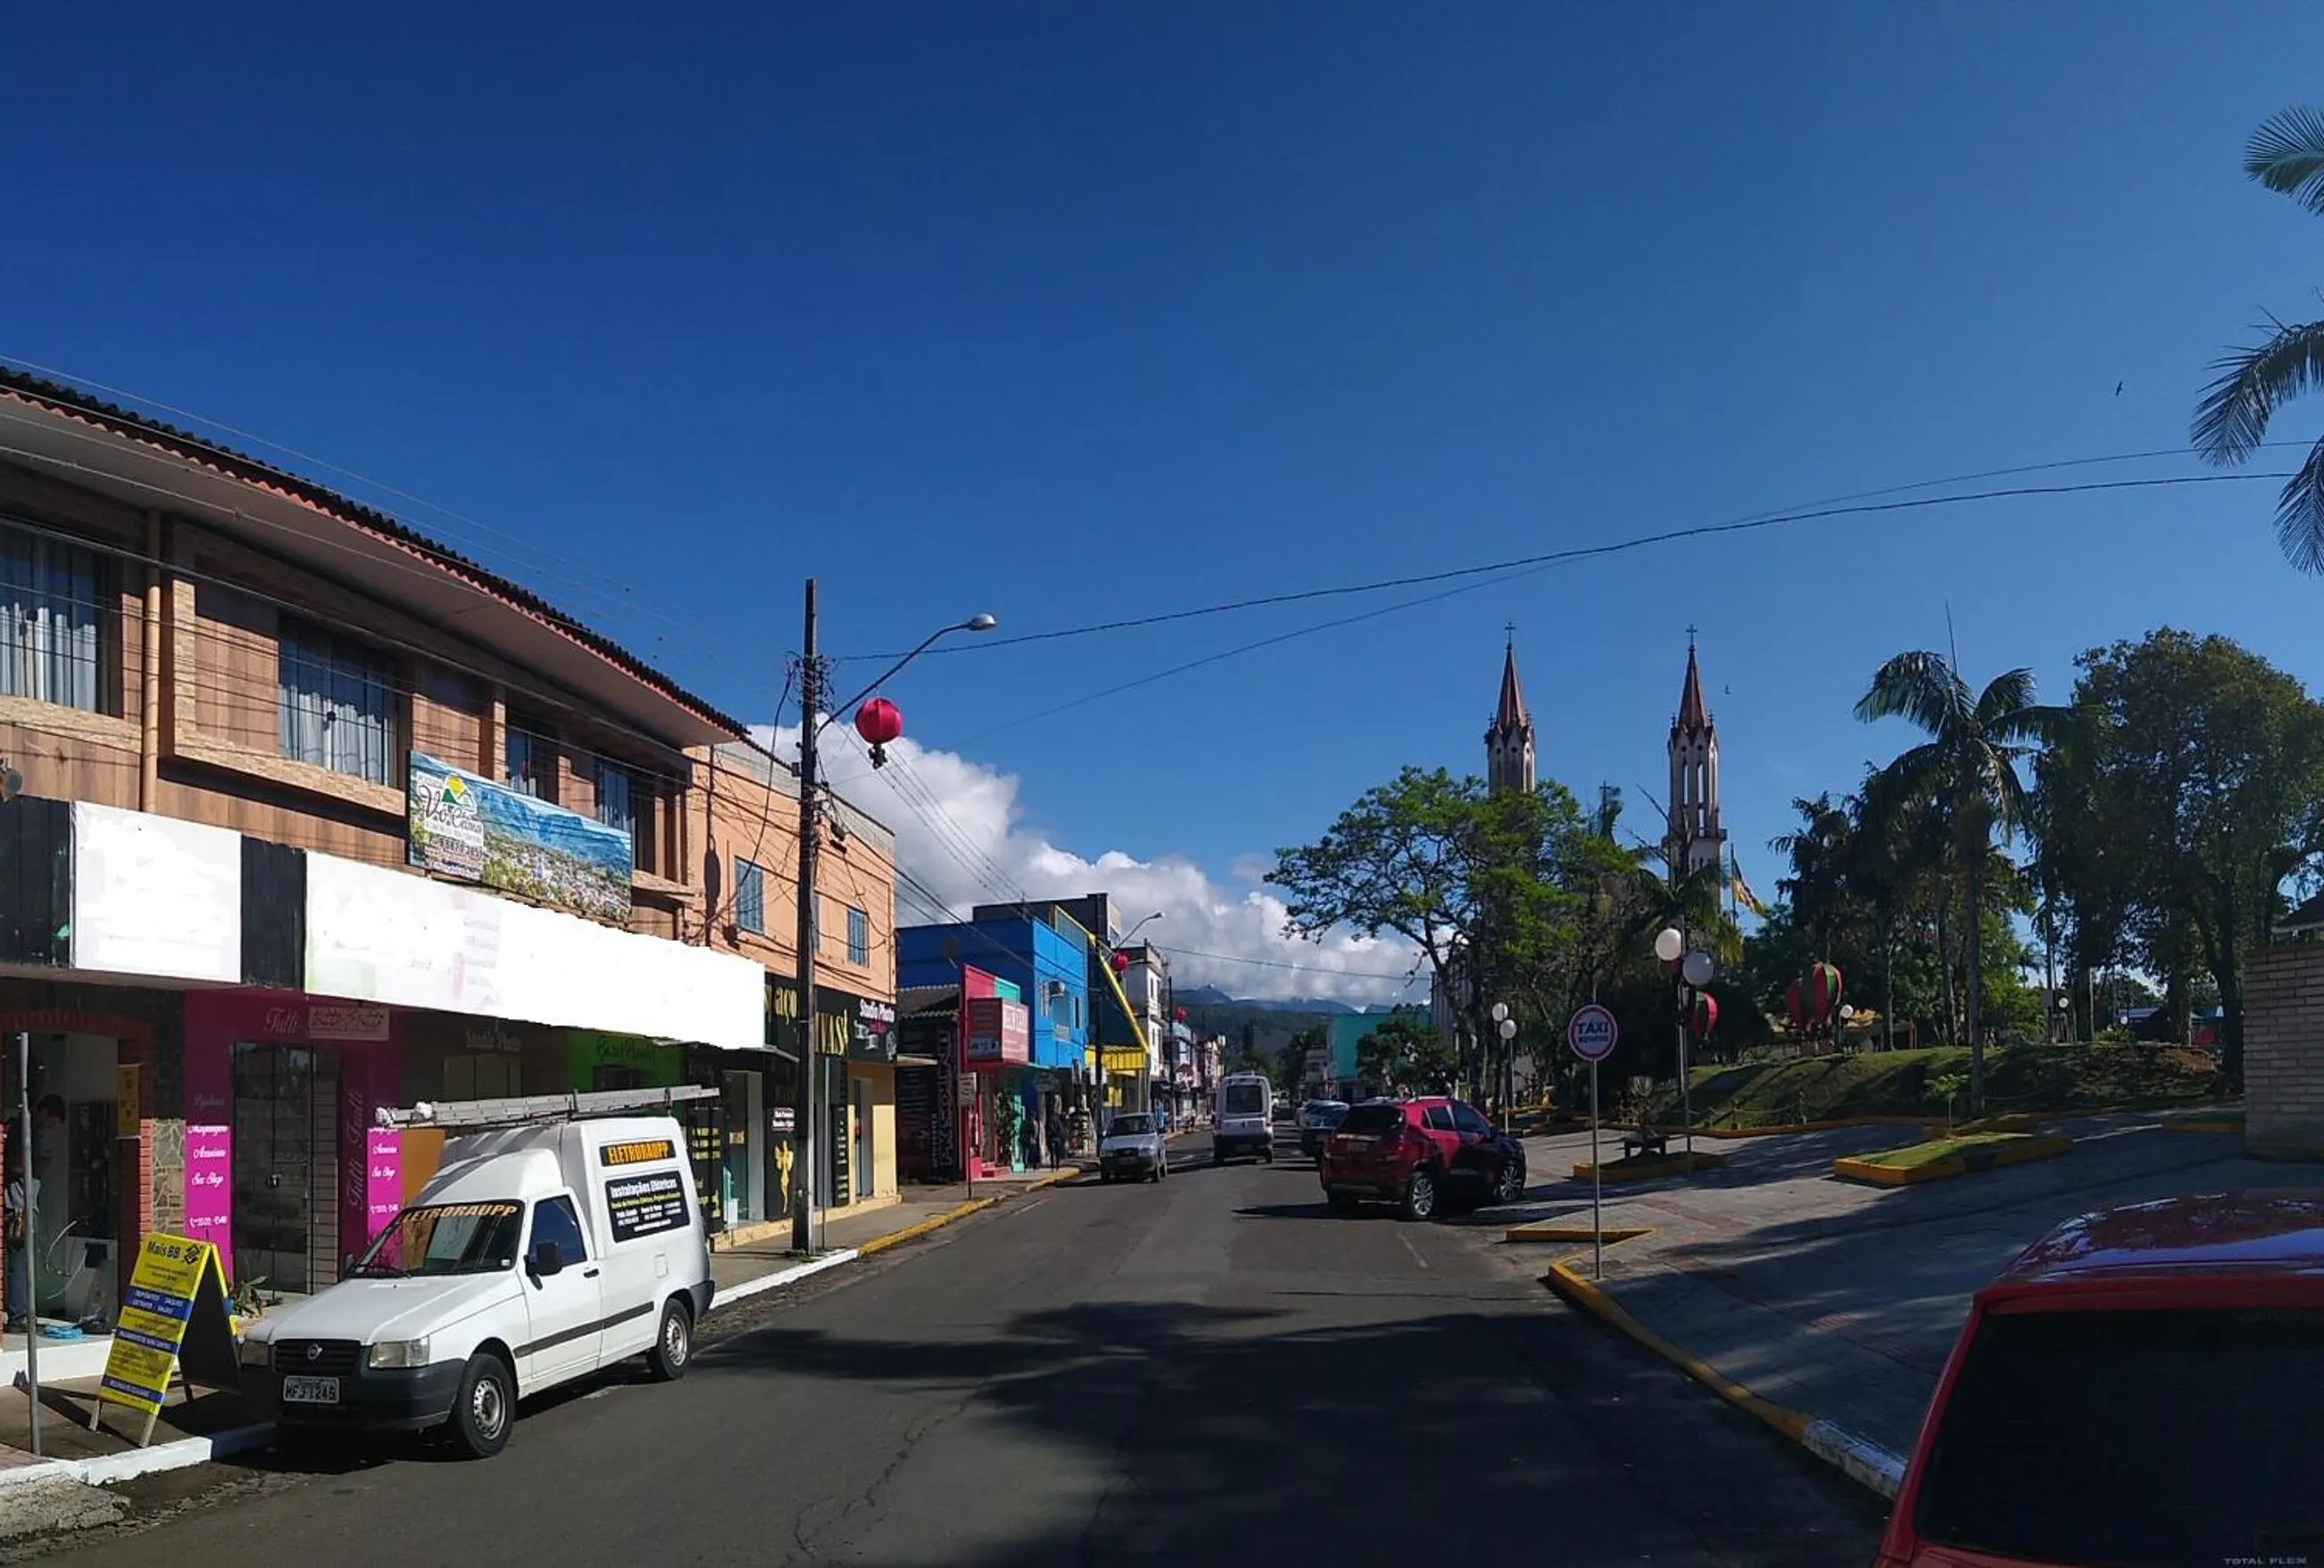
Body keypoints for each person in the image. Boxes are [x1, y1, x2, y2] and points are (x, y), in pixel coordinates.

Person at [4, 1142, 37, 1334]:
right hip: (19, 1213)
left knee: (23, 1266)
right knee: (19, 1266)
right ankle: (18, 1316)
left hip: (25, 1210)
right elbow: (15, 1164)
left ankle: (23, 1312)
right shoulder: (20, 1135)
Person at [1043, 1105, 1067, 1170]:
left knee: (1052, 1153)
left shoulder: (1049, 1121)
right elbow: (1061, 1129)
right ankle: (1057, 1166)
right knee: (1057, 1153)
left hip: (1052, 1138)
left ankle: (1053, 1166)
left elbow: (1047, 1129)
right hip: (1057, 1138)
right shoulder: (1058, 1120)